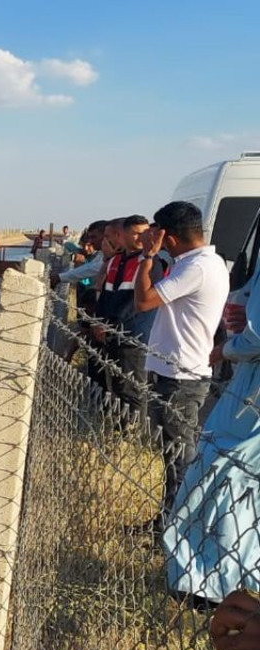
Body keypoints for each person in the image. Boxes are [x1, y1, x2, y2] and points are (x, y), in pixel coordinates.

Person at [163, 236, 260, 605]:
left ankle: (210, 585)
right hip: (247, 385)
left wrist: (226, 348)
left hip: (250, 395)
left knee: (222, 479)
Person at [135, 202, 229, 530]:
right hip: (175, 371)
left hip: (181, 377)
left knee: (179, 456)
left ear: (168, 237)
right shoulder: (196, 262)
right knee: (173, 454)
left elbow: (144, 300)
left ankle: (179, 525)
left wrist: (147, 257)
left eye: (154, 233)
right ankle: (169, 519)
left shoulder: (198, 267)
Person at [96, 214, 165, 415]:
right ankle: (120, 430)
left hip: (135, 334)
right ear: (123, 234)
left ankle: (132, 434)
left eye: (145, 234)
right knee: (116, 386)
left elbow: (144, 301)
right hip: (112, 334)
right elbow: (105, 295)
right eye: (136, 234)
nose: (141, 239)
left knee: (132, 389)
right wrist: (99, 322)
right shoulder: (115, 261)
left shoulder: (151, 262)